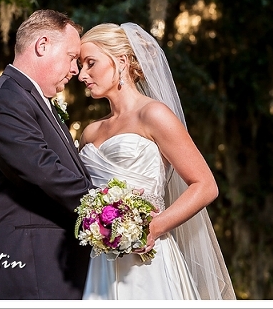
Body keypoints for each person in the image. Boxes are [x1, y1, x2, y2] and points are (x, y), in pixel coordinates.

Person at [77, 22, 236, 300]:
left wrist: (153, 228)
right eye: (80, 66)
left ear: (122, 61)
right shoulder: (90, 132)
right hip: (98, 263)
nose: (81, 75)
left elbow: (205, 185)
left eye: (90, 63)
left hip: (147, 260)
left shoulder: (154, 115)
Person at [0, 9, 94, 299]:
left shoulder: (33, 100)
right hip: (27, 270)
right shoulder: (2, 100)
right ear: (42, 45)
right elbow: (44, 172)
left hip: (54, 270)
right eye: (72, 57)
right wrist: (110, 209)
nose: (75, 70)